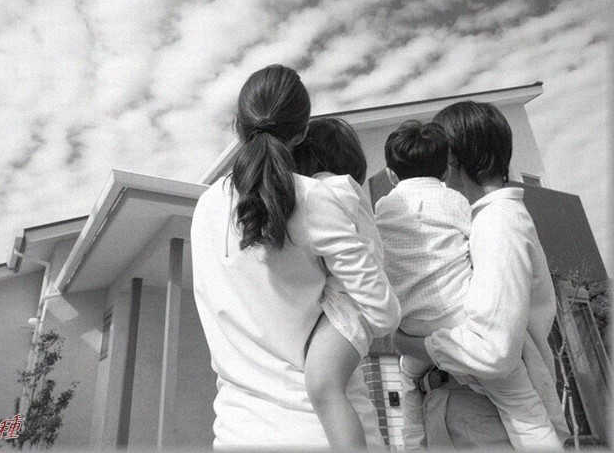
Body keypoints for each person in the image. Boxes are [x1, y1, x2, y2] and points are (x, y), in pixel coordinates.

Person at [190, 65, 401, 451]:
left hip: (236, 435)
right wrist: (339, 293)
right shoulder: (317, 199)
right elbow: (383, 313)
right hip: (323, 434)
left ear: (238, 125)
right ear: (302, 132)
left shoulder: (205, 208)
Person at [393, 102, 569, 449]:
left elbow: (494, 350)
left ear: (451, 158)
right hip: (467, 407)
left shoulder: (498, 221)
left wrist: (410, 343)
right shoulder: (480, 220)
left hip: (480, 414)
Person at [292, 117, 390, 451]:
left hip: (349, 304)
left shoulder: (326, 191)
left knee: (323, 385)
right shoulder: (348, 190)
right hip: (351, 300)